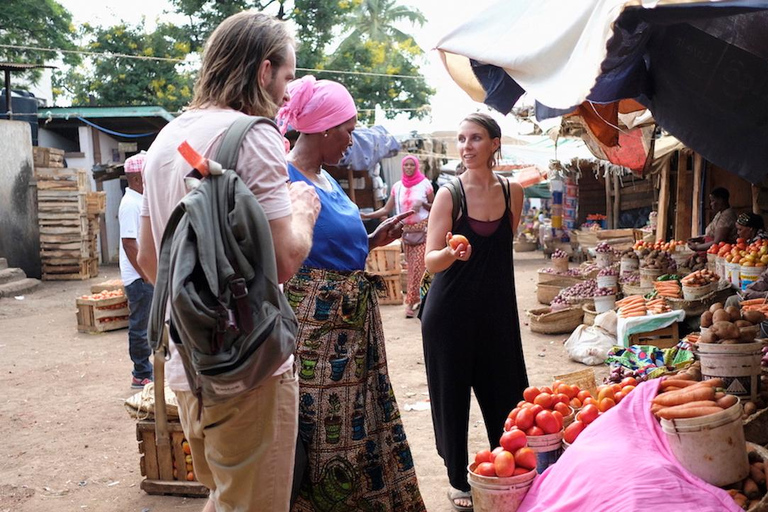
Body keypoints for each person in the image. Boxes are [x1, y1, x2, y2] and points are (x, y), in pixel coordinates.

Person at [136, 12, 321, 512]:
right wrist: (303, 212)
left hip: (189, 365)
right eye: (286, 77)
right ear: (263, 71)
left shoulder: (167, 139)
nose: (287, 94)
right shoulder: (254, 136)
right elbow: (283, 261)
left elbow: (152, 262)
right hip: (249, 369)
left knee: (225, 497)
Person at [275, 75, 426, 512]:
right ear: (322, 128)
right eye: (348, 129)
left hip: (351, 327)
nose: (352, 140)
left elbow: (334, 239)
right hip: (317, 335)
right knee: (324, 428)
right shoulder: (282, 177)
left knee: (362, 419)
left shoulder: (325, 177)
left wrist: (373, 238)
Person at [420, 112, 529, 511]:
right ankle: (457, 479)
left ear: (495, 144)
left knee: (508, 391)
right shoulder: (450, 194)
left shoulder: (514, 191)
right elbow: (431, 261)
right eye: (462, 139)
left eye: (476, 138)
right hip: (449, 312)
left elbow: (503, 247)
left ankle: (512, 466)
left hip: (497, 310)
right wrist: (452, 251)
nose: (466, 147)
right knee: (452, 397)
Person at [362, 155, 434, 317]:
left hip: (424, 231)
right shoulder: (397, 186)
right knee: (413, 269)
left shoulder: (425, 185)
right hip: (406, 234)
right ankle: (421, 300)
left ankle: (410, 303)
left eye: (411, 165)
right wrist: (366, 216)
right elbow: (386, 210)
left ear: (416, 167)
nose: (408, 168)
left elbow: (435, 206)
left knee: (418, 267)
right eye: (406, 165)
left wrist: (423, 204)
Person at [118, 152, 154, 389]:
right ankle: (140, 372)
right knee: (140, 327)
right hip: (139, 278)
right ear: (138, 179)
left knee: (147, 326)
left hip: (144, 275)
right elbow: (130, 244)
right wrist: (147, 274)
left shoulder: (137, 201)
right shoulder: (130, 204)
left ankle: (146, 370)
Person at [688, 187, 738, 252]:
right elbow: (712, 232)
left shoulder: (727, 216)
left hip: (722, 251)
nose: (711, 204)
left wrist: (697, 247)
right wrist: (700, 239)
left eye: (713, 201)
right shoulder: (720, 214)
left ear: (720, 200)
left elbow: (718, 242)